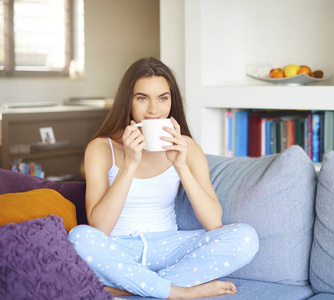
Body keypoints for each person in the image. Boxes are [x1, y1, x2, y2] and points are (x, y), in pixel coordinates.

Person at [67, 57, 259, 299]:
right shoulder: (100, 148)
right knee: (79, 238)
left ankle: (132, 288)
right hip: (119, 250)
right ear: (128, 100)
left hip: (169, 247)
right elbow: (100, 228)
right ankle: (180, 292)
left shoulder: (187, 148)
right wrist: (130, 164)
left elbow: (213, 223)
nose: (153, 110)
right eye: (142, 98)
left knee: (245, 237)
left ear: (171, 101)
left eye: (162, 98)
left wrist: (180, 165)